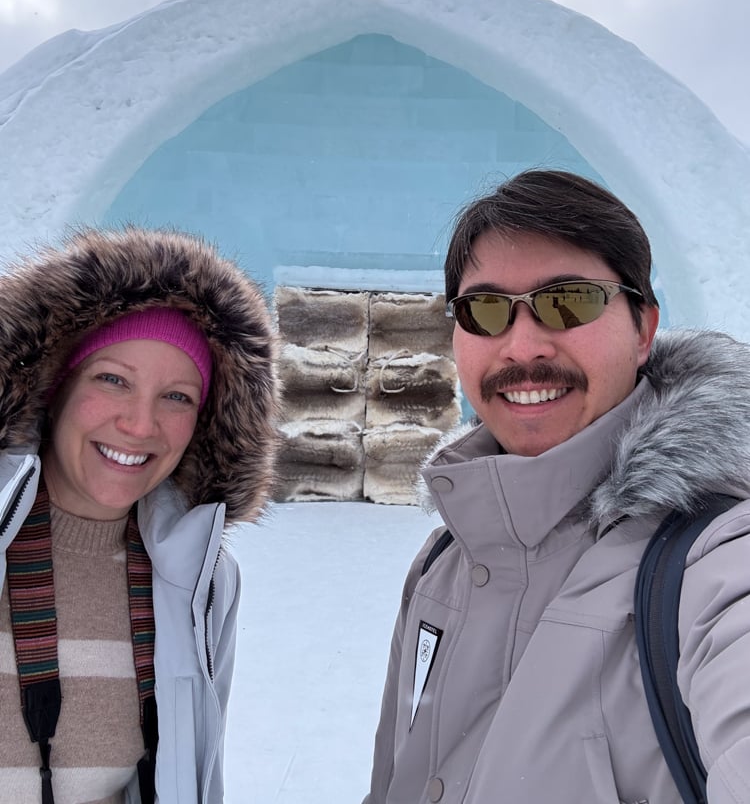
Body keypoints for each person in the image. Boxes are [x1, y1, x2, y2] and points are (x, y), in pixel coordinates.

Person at [364, 169, 750, 804]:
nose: (521, 346)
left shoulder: (709, 563)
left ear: (644, 327)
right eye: (484, 310)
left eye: (567, 300)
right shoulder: (443, 564)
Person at [0, 225, 279, 804]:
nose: (140, 424)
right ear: (55, 387)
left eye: (176, 396)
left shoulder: (196, 575)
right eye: (113, 380)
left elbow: (192, 772)